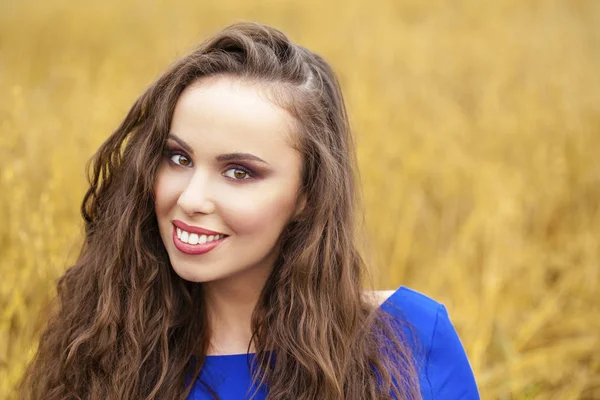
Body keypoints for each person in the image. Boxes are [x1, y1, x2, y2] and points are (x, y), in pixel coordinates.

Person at [20, 22, 479, 399]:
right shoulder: (104, 345)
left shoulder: (411, 339)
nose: (191, 198)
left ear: (308, 195)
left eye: (239, 172)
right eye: (179, 158)